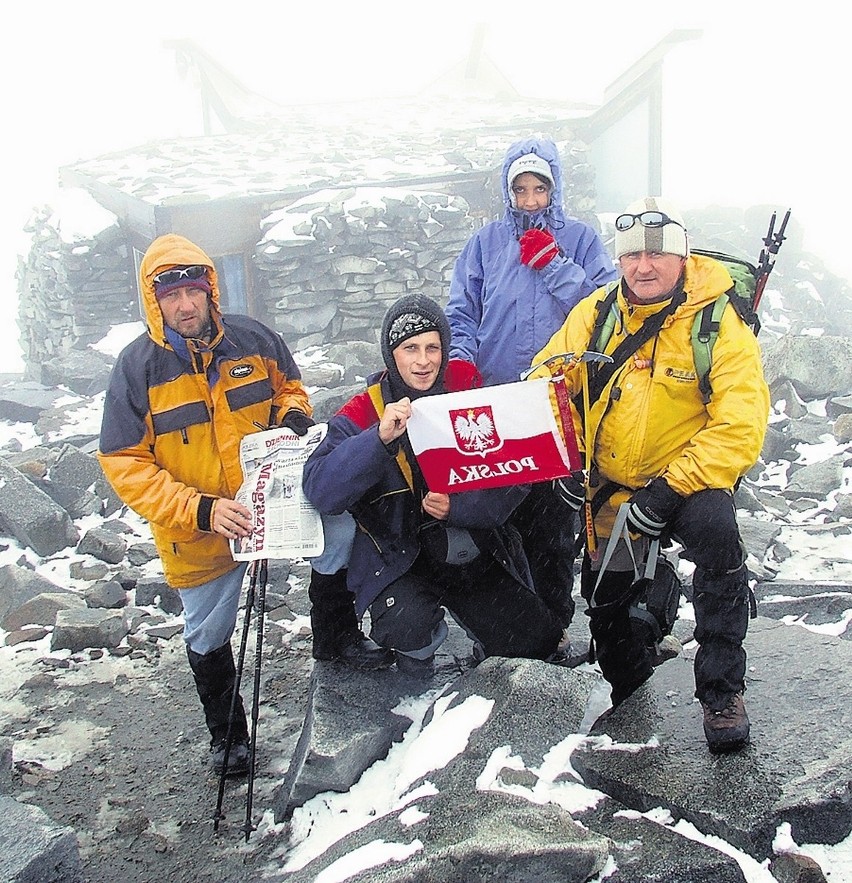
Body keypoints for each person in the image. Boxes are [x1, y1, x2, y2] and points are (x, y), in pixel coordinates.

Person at [97, 233, 385, 777]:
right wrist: (202, 510)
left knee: (340, 531)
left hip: (275, 499)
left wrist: (293, 418)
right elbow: (124, 464)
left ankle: (334, 639)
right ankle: (227, 735)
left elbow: (289, 389)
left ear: (210, 290)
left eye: (193, 291)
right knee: (207, 632)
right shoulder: (136, 370)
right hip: (200, 527)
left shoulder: (254, 339)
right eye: (171, 296)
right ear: (153, 301)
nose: (185, 305)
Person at [530, 197, 770, 752]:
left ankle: (721, 690)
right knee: (608, 614)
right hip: (609, 488)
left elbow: (740, 424)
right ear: (619, 261)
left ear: (681, 259)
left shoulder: (717, 323)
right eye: (633, 255)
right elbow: (546, 383)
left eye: (658, 255)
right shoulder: (596, 315)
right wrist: (561, 456)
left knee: (718, 537)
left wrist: (668, 492)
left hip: (686, 482)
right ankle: (635, 678)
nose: (644, 266)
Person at [302, 294, 566, 679]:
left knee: (533, 643)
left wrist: (459, 507)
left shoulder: (469, 394)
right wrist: (378, 440)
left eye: (432, 347)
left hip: (468, 548)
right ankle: (418, 651)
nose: (423, 361)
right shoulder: (366, 410)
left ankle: (489, 633)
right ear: (392, 356)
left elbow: (514, 481)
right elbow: (321, 489)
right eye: (410, 349)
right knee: (406, 627)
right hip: (400, 556)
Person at [445, 137, 618, 634]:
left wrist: (553, 264)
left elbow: (605, 311)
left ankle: (554, 623)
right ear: (507, 191)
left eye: (538, 188)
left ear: (553, 188)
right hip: (496, 396)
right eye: (519, 189)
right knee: (497, 513)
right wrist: (460, 360)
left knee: (555, 519)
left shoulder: (581, 240)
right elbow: (462, 309)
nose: (528, 200)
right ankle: (507, 624)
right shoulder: (485, 243)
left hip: (561, 400)